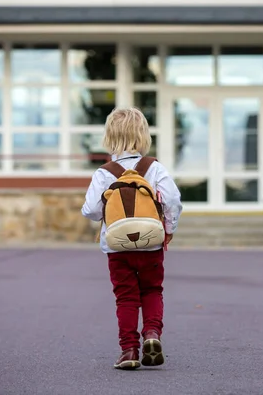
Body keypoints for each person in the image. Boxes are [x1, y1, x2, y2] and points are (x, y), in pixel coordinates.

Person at [81, 107, 182, 370]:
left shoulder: (104, 172)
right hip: (151, 243)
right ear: (143, 135)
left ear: (110, 137)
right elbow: (173, 200)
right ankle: (151, 334)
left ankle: (129, 351)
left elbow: (91, 210)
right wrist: (168, 228)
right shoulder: (154, 168)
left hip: (117, 246)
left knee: (126, 297)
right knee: (151, 290)